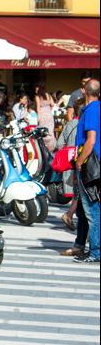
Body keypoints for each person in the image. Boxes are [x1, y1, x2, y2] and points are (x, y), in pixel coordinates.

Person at [73, 78, 100, 263]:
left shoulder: (91, 110)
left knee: (92, 209)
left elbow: (90, 140)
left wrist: (79, 161)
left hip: (91, 164)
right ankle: (81, 245)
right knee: (86, 208)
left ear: (84, 91)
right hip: (96, 162)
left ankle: (96, 252)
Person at [58, 98, 85, 238]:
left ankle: (69, 215)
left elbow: (59, 144)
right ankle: (70, 215)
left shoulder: (69, 124)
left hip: (70, 164)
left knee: (78, 193)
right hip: (83, 162)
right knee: (83, 194)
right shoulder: (86, 125)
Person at [34, 82, 57, 151]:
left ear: (39, 88)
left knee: (43, 132)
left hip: (42, 115)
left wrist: (37, 119)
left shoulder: (37, 97)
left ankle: (44, 149)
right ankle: (51, 148)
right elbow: (52, 104)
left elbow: (38, 109)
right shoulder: (48, 95)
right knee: (50, 132)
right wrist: (48, 110)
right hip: (49, 115)